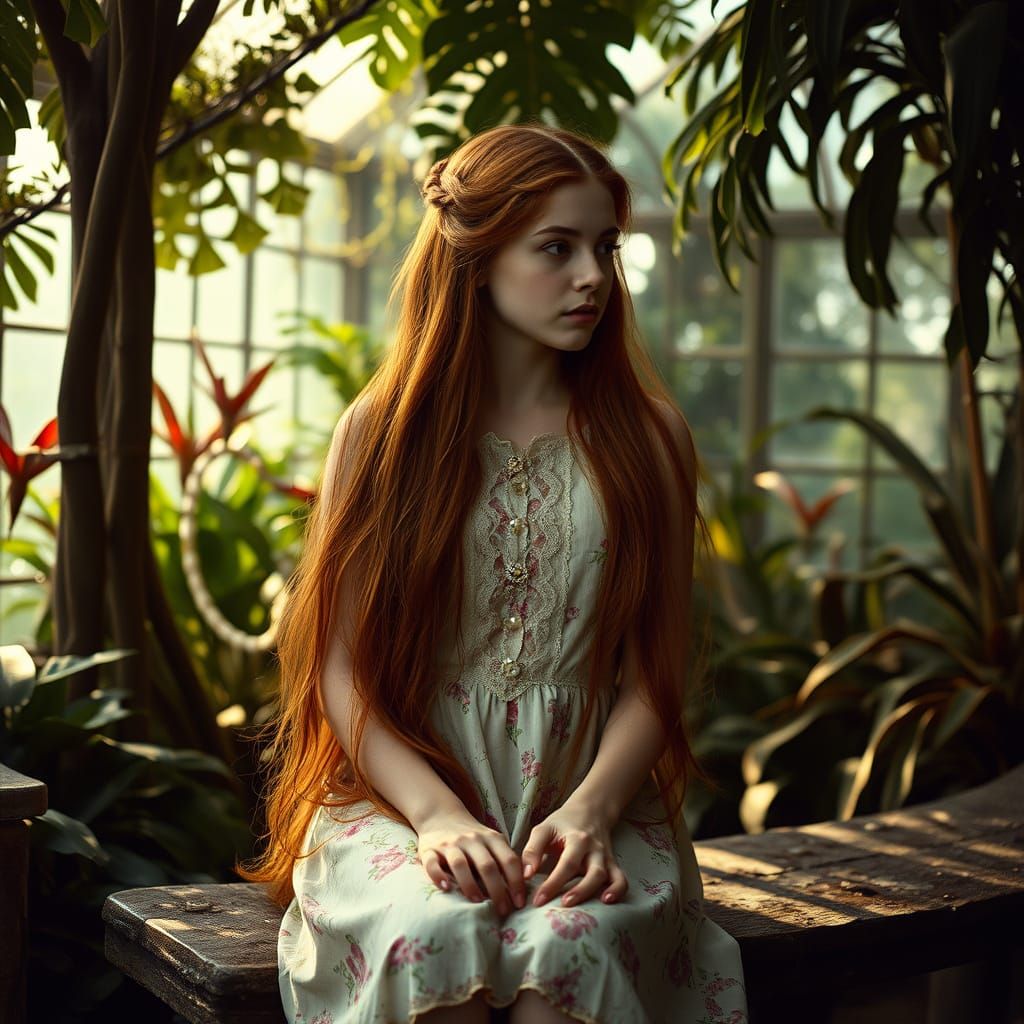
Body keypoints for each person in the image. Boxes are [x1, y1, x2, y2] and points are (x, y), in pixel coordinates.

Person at [240, 122, 748, 1024]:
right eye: (556, 247)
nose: (593, 276)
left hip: (591, 803)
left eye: (604, 247)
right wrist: (436, 816)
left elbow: (656, 678)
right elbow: (341, 669)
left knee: (569, 949)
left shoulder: (648, 438)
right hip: (406, 802)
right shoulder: (381, 434)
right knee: (433, 935)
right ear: (476, 261)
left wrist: (592, 812)